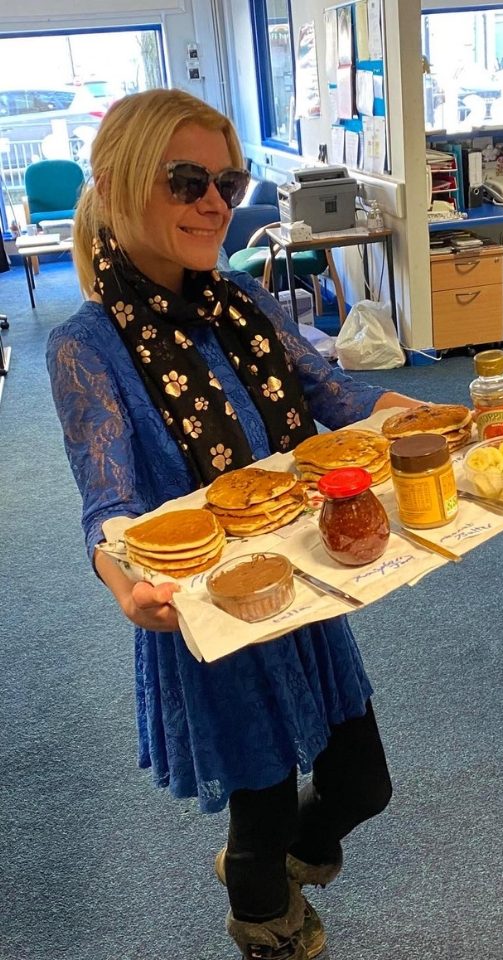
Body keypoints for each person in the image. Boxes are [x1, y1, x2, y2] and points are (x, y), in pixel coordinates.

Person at [46, 89, 428, 960]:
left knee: (361, 784)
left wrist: (400, 412)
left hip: (300, 584)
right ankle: (263, 918)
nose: (215, 201)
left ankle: (278, 860)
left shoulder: (242, 305)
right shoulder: (86, 346)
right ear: (115, 186)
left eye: (227, 179)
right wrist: (120, 581)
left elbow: (335, 396)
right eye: (186, 181)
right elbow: (105, 501)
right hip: (206, 613)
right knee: (261, 802)